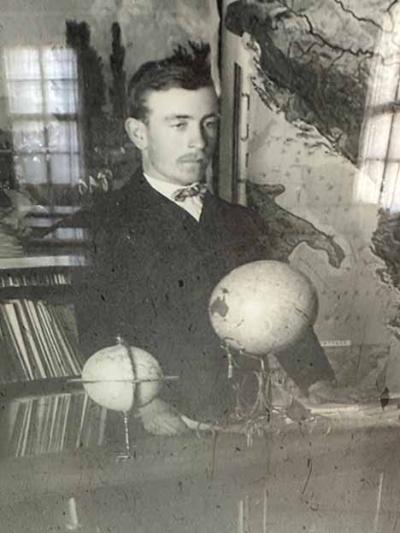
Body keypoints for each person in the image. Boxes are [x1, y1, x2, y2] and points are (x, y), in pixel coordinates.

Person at [73, 46, 336, 435]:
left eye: (208, 123)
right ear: (138, 133)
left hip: (246, 425)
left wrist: (318, 382)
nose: (198, 141)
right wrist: (147, 407)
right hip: (154, 430)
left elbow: (277, 310)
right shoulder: (103, 223)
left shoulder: (242, 221)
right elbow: (96, 333)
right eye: (179, 125)